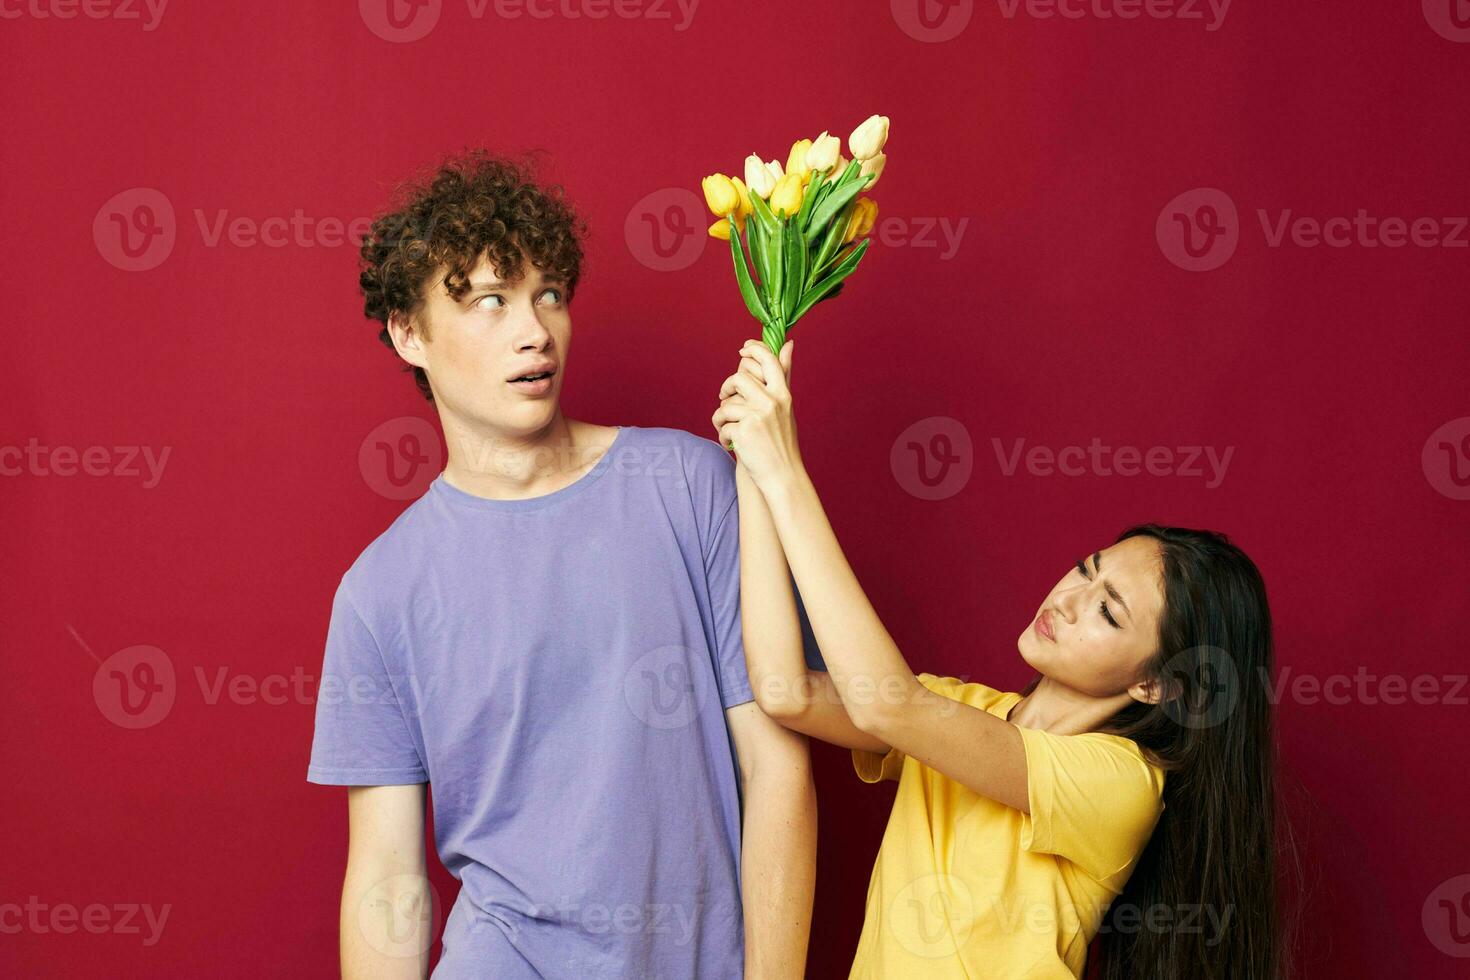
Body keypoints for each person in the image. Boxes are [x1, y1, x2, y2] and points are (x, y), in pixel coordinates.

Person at [306, 150, 815, 980]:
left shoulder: (689, 485)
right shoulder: (380, 593)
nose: (534, 330)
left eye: (548, 294)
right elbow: (390, 880)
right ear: (409, 332)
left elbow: (778, 764)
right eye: (489, 301)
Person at [712, 338, 1284, 979]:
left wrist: (787, 471)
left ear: (1156, 684)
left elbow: (886, 704)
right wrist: (754, 469)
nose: (1068, 600)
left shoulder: (1122, 783)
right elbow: (786, 691)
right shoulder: (959, 709)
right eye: (1084, 570)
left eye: (1108, 611)